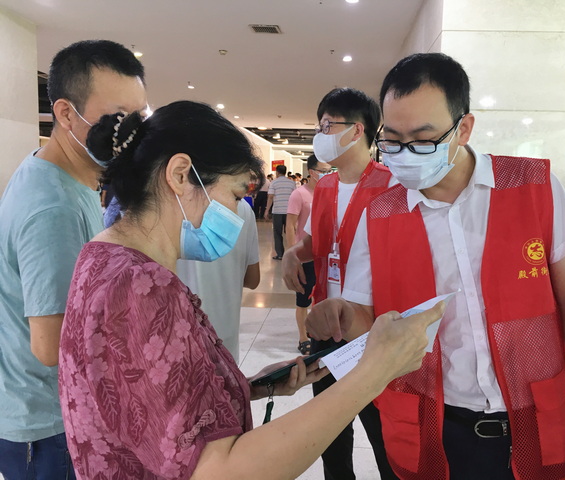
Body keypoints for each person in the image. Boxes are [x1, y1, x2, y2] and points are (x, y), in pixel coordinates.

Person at [57, 100, 443, 479]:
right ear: (180, 175)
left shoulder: (102, 256)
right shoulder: (141, 287)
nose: (235, 213)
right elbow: (217, 471)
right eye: (234, 195)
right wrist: (374, 373)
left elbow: (153, 404)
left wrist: (242, 388)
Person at [306, 53, 565, 480]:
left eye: (422, 139)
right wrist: (339, 314)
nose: (405, 154)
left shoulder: (532, 187)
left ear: (464, 128)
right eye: (392, 140)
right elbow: (364, 317)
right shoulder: (378, 214)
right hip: (432, 427)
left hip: (535, 420)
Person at [0, 40, 147, 479]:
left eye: (138, 117)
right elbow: (51, 345)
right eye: (118, 118)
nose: (130, 133)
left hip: (49, 413)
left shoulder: (61, 174)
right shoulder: (54, 207)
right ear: (66, 114)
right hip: (49, 427)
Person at [283, 87, 398, 480]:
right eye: (320, 126)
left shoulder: (393, 186)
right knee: (330, 434)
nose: (320, 135)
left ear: (357, 130)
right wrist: (293, 253)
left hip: (371, 330)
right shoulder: (327, 187)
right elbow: (315, 243)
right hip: (325, 329)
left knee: (384, 434)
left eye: (327, 126)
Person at [177, 197, 260, 362]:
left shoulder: (162, 203)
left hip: (177, 342)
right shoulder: (242, 208)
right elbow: (253, 279)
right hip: (225, 340)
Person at [285, 154, 332, 355]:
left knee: (322, 296)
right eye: (323, 171)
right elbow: (290, 225)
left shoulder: (330, 192)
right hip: (305, 254)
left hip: (324, 254)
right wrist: (292, 254)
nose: (327, 174)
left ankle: (318, 333)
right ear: (312, 172)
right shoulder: (300, 194)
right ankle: (303, 337)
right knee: (303, 298)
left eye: (330, 171)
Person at [265, 164, 295, 260]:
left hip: (277, 211)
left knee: (277, 233)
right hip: (289, 212)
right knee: (290, 232)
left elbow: (270, 197)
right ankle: (292, 253)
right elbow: (295, 197)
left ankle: (280, 254)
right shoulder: (292, 183)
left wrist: (266, 210)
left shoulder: (274, 182)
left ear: (277, 172)